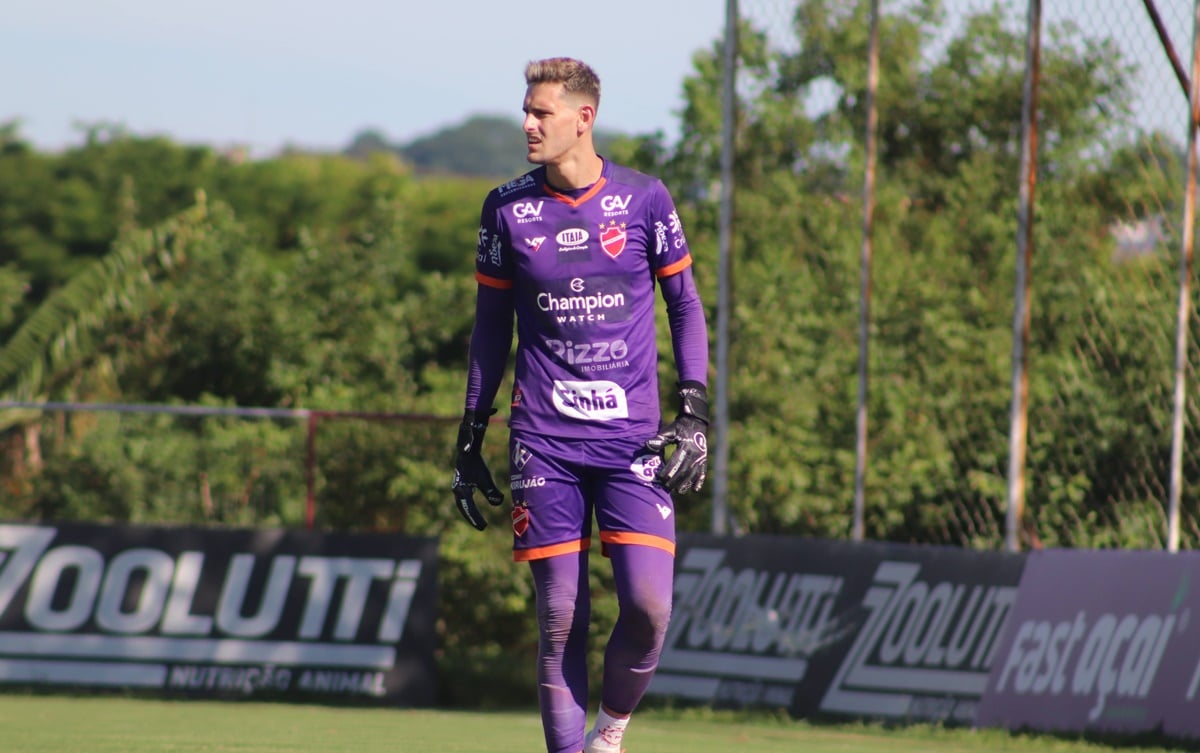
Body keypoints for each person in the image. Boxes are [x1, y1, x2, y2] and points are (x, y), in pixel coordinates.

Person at [451, 57, 710, 753]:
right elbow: (488, 330)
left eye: (541, 112)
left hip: (633, 442)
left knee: (650, 607)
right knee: (560, 613)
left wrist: (694, 412)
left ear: (582, 118)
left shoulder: (646, 198)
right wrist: (471, 434)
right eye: (526, 110)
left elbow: (684, 303)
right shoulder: (506, 208)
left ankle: (610, 734)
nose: (527, 123)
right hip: (545, 439)